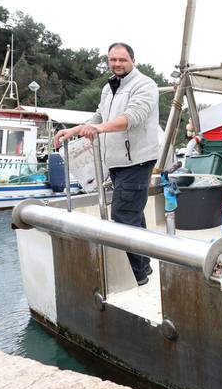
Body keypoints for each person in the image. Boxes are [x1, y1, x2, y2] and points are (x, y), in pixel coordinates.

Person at [54, 42, 160, 285]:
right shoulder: (109, 87)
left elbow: (132, 117)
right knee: (133, 214)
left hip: (138, 161)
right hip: (116, 161)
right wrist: (74, 130)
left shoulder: (145, 85)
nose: (117, 64)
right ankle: (144, 266)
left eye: (122, 60)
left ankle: (137, 276)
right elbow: (100, 116)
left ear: (133, 60)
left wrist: (99, 128)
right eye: (112, 60)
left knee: (123, 216)